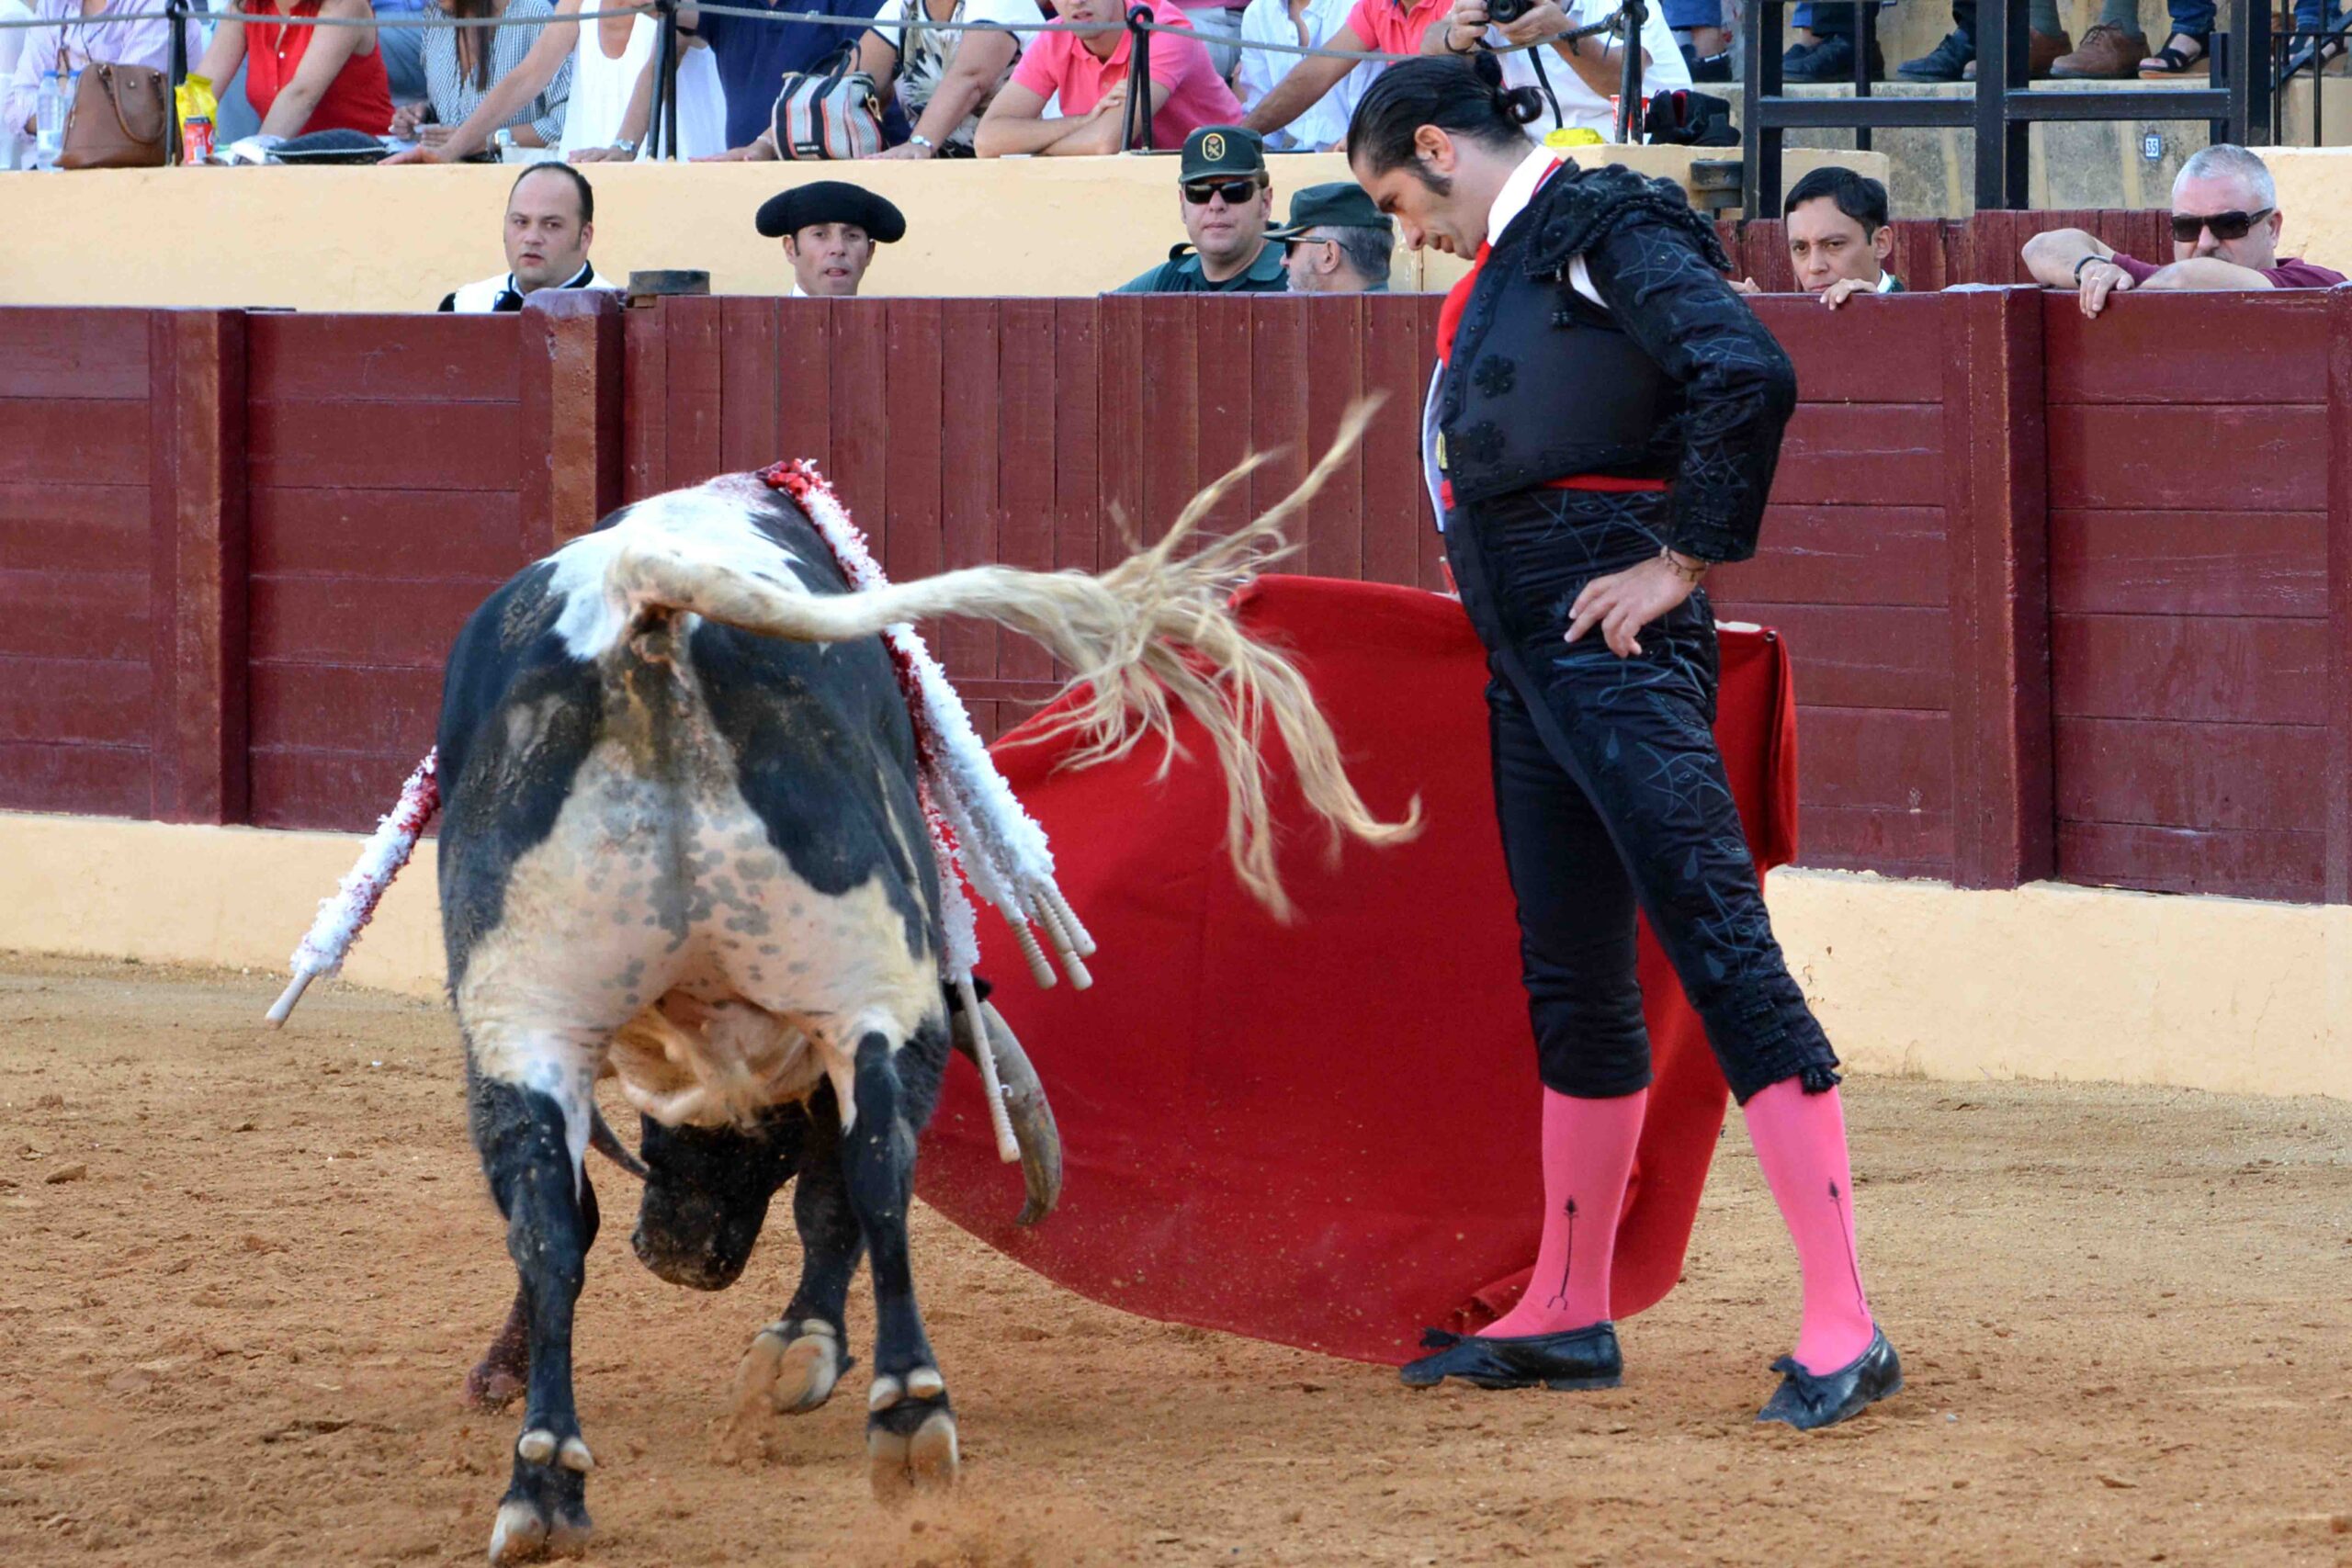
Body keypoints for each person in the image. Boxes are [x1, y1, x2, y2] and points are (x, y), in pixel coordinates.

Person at [1346, 53, 1901, 1430]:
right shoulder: (1538, 245)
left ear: (1437, 144)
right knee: (1573, 973)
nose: (1402, 227)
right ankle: (1570, 1304)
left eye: (1393, 194)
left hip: (1615, 635)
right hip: (1532, 645)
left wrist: (1687, 558)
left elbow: (1744, 368)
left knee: (1718, 937)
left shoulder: (1603, 220)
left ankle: (1845, 1316)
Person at [2020, 143, 2347, 318]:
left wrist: (2132, 292)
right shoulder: (2155, 282)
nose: (2205, 242)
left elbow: (2186, 279)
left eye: (2229, 224)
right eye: (2187, 227)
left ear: (2272, 228)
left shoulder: (2317, 286)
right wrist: (2090, 268)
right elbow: (2040, 248)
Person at [380, 0, 726, 164]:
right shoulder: (578, 1)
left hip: (672, 170)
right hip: (584, 172)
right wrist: (446, 153)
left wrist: (624, 149)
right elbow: (528, 76)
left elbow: (656, 70)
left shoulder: (685, 5)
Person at [976, 0, 1241, 155]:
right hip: (1125, 181)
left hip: (1221, 181)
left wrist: (1030, 150)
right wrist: (1084, 122)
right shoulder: (1055, 35)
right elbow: (988, 140)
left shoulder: (1163, 28)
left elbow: (1108, 141)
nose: (1076, 0)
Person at [1420, 0, 1690, 141]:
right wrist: (1454, 37)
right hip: (1550, 164)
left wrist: (1560, 32)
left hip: (1645, 146)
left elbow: (1619, 81)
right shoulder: (1497, 7)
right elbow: (1428, 49)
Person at [1240, 0, 1448, 145]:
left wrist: (1367, 138)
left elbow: (1443, 95)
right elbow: (1315, 75)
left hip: (1454, 145)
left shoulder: (1458, 6)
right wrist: (1240, 136)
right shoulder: (1375, 5)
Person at [1113, 126, 1290, 293]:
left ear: (1265, 202)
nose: (1216, 205)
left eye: (1234, 190)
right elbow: (1093, 316)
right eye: (1199, 192)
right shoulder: (1166, 283)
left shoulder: (1299, 277)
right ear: (1183, 205)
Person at [190, 0, 394, 138]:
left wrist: (252, 162)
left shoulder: (347, 5)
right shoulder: (243, 7)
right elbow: (200, 87)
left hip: (363, 162)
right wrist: (192, 154)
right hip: (288, 166)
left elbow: (301, 95)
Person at [391, 0, 573, 153]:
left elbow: (564, 125)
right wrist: (423, 115)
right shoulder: (435, 15)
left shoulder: (534, 13)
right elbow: (460, 109)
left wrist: (486, 140)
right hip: (449, 173)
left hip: (517, 179)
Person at [2, 0, 200, 138]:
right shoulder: (53, 5)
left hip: (132, 171)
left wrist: (63, 88)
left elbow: (126, 112)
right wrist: (86, 101)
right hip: (52, 168)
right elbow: (16, 108)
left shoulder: (155, 5)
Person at [858, 0, 1031, 158]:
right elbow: (855, 80)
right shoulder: (904, 6)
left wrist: (920, 143)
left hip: (1025, 166)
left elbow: (971, 78)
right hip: (946, 173)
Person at [438, 163, 614, 311]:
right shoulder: (464, 307)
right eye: (521, 222)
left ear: (585, 236)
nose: (532, 238)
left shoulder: (618, 315)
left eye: (551, 225)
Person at [1729, 165, 1903, 308]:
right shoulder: (1790, 321)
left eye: (1834, 244)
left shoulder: (1921, 321)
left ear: (1881, 243)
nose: (1814, 266)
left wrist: (1880, 315)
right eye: (1801, 248)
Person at [1235, 0, 1376, 152]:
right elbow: (1263, 133)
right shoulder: (1258, 12)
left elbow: (1369, 128)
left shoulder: (1360, 5)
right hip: (1297, 160)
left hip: (1361, 157)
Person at [757, 178, 906, 297]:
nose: (838, 249)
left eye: (852, 236)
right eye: (820, 235)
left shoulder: (888, 331)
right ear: (791, 249)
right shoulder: (760, 328)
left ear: (869, 253)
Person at [1265, 180, 1393, 292]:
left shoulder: (1339, 318)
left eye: (1290, 247)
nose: (1283, 261)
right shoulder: (1405, 316)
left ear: (1329, 255)